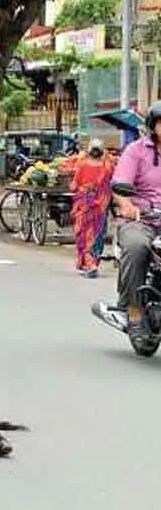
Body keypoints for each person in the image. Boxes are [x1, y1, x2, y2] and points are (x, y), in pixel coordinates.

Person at [95, 101, 161, 342]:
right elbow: (120, 185)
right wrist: (127, 205)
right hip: (142, 219)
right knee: (136, 247)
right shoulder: (136, 150)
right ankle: (131, 310)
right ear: (153, 126)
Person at [69, 139, 114, 278]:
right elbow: (113, 184)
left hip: (83, 204)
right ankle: (93, 262)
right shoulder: (108, 167)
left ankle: (89, 264)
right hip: (100, 206)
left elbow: (74, 186)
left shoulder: (82, 165)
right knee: (97, 234)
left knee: (83, 234)